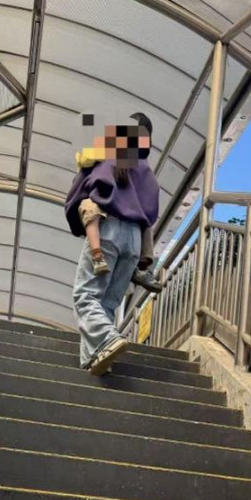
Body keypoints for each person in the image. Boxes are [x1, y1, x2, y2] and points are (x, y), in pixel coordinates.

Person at [65, 112, 161, 375]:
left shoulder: (105, 156)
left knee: (86, 295)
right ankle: (96, 358)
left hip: (107, 229)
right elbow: (152, 209)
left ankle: (106, 338)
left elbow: (80, 191)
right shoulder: (145, 170)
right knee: (107, 302)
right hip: (134, 240)